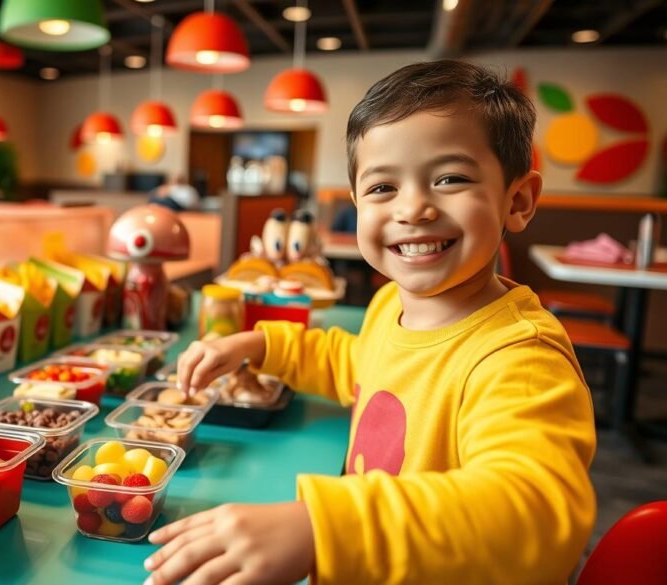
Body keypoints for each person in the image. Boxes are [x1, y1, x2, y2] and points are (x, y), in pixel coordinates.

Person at [146, 60, 596, 584]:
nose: (414, 209)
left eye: (450, 178)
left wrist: (327, 527)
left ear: (517, 201)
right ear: (357, 203)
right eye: (383, 188)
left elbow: (536, 514)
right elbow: (352, 362)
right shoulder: (388, 306)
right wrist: (261, 345)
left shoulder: (519, 358)